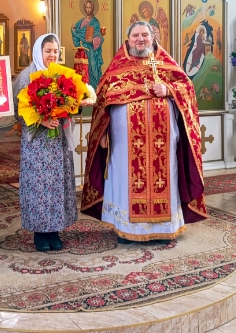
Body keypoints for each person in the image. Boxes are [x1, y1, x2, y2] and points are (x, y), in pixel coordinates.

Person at [81, 21, 207, 243]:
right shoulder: (117, 68)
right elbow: (103, 102)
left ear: (152, 38)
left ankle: (165, 228)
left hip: (163, 142)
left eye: (145, 35)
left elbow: (187, 88)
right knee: (124, 178)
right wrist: (102, 133)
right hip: (124, 145)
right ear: (128, 40)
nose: (140, 39)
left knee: (166, 177)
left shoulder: (166, 65)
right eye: (136, 35)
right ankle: (126, 228)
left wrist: (168, 89)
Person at [13, 34, 92, 251]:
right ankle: (40, 233)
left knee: (57, 185)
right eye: (48, 51)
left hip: (58, 142)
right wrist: (42, 119)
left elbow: (70, 105)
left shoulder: (61, 74)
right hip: (37, 144)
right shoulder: (26, 76)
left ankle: (55, 230)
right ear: (38, 51)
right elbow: (16, 111)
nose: (52, 55)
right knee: (39, 186)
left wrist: (78, 104)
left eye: (55, 51)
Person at [70, 0, 104, 88]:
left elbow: (99, 37)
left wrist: (93, 40)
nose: (88, 9)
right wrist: (73, 31)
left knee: (92, 70)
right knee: (82, 72)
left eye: (89, 7)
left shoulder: (95, 22)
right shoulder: (80, 22)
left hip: (91, 51)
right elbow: (76, 37)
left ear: (92, 8)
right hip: (82, 52)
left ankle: (93, 92)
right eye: (87, 7)